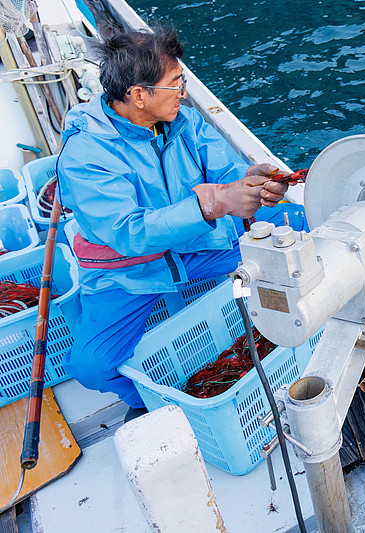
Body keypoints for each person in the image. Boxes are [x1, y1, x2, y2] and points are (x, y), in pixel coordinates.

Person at [56, 26, 306, 418]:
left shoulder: (183, 122)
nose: (184, 93)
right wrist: (215, 204)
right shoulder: (85, 156)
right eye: (175, 84)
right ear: (139, 95)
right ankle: (156, 402)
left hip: (198, 245)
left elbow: (222, 171)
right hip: (132, 271)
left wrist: (251, 181)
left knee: (298, 221)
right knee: (91, 367)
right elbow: (130, 233)